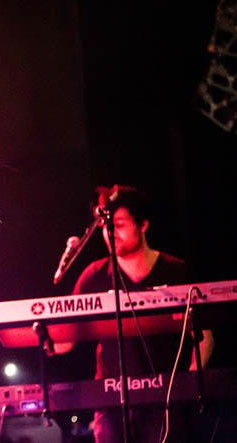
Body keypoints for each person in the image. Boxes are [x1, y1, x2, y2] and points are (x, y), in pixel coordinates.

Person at [57, 186, 214, 443]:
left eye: (118, 224)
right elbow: (67, 339)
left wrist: (187, 386)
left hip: (166, 402)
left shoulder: (175, 271)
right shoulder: (94, 275)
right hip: (110, 404)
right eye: (106, 226)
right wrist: (43, 333)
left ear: (143, 224)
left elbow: (204, 337)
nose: (111, 233)